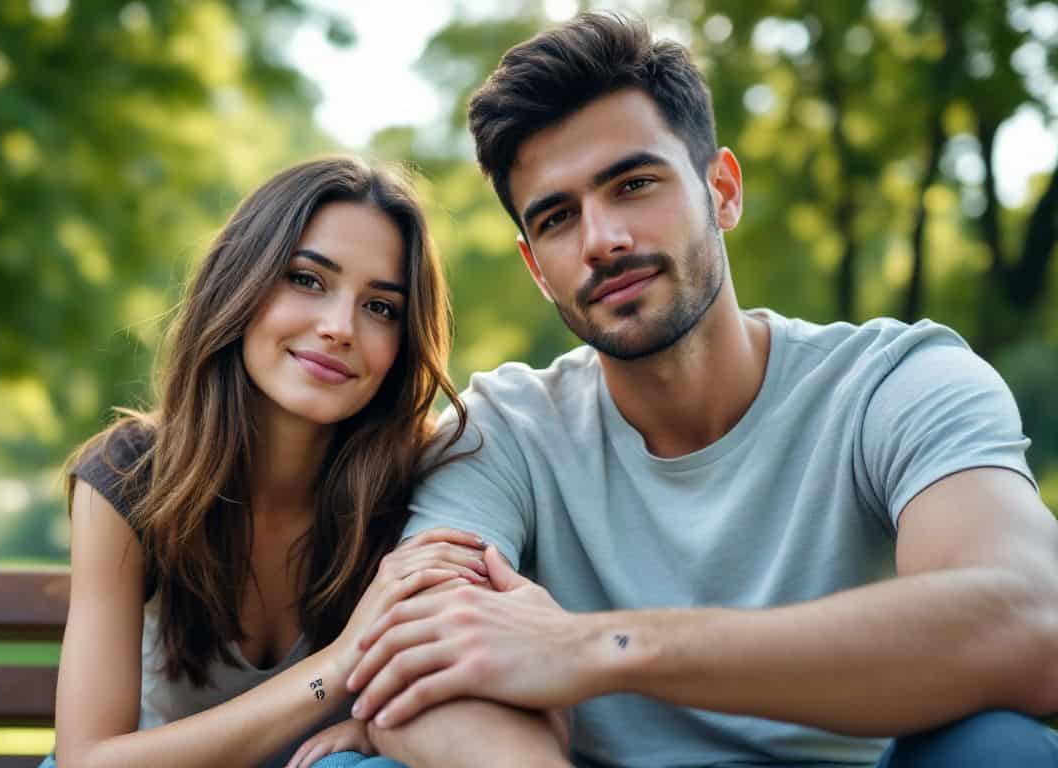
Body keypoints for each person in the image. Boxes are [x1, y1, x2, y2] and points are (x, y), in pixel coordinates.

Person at [341, 13, 1058, 768]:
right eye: (558, 218)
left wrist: (605, 647)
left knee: (999, 749)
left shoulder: (895, 383)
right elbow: (408, 665)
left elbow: (1034, 621)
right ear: (535, 266)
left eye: (634, 183)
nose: (602, 240)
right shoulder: (503, 430)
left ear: (721, 190)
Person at [45, 157, 488, 768]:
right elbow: (87, 762)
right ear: (241, 283)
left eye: (380, 307)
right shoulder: (130, 478)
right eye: (308, 279)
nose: (339, 328)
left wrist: (378, 731)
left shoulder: (424, 479)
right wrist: (338, 665)